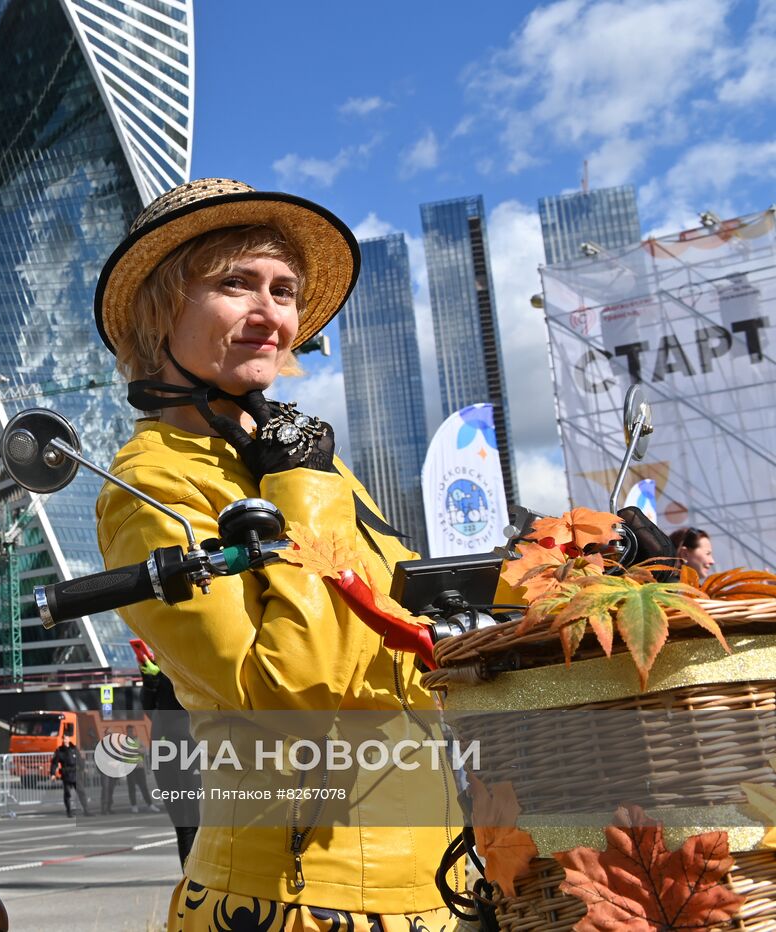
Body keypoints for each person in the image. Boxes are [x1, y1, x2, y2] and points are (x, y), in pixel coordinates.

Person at [93, 178, 458, 930]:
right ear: (159, 308)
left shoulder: (299, 464)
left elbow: (407, 620)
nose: (271, 314)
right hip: (293, 899)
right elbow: (290, 702)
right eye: (235, 284)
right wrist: (302, 488)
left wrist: (545, 587)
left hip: (434, 882)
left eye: (285, 291)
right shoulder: (153, 483)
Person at [140, 651, 201, 868]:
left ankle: (202, 879)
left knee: (197, 818)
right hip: (163, 745)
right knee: (182, 822)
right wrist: (150, 683)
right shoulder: (159, 661)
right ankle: (188, 880)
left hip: (190, 743)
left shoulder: (192, 658)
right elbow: (148, 708)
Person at [49, 733, 93, 817]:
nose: (65, 740)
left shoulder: (74, 748)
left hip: (76, 774)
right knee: (67, 794)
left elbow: (80, 759)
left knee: (81, 792)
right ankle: (69, 812)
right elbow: (54, 763)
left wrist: (83, 768)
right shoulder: (59, 750)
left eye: (66, 738)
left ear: (69, 739)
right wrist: (52, 773)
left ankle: (86, 810)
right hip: (67, 774)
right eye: (64, 739)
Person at [123, 725, 157, 813]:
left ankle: (150, 804)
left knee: (144, 787)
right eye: (129, 731)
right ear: (127, 731)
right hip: (129, 768)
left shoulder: (138, 740)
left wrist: (134, 750)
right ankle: (134, 806)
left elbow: (144, 750)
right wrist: (137, 750)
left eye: (132, 731)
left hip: (139, 767)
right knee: (132, 788)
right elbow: (125, 751)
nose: (131, 732)